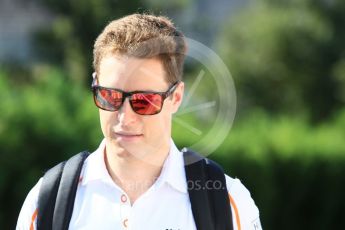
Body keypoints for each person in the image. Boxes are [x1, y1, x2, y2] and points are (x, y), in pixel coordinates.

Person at [16, 13, 262, 230]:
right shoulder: (47, 199)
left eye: (144, 100)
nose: (125, 117)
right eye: (110, 96)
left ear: (176, 98)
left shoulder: (227, 200)